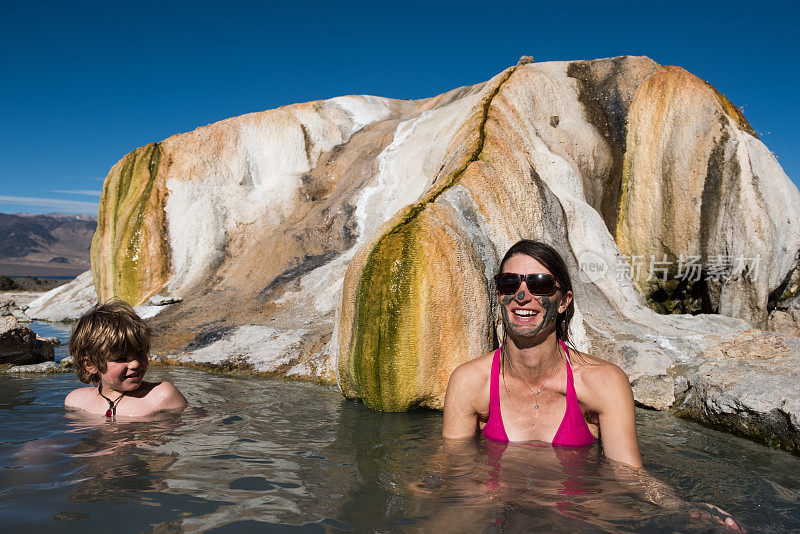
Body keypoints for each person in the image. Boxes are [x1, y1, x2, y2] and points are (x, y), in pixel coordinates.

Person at [443, 240, 641, 466]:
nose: (521, 296)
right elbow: (453, 468)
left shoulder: (604, 382)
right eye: (509, 283)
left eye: (540, 284)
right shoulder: (469, 381)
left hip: (576, 502)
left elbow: (630, 479)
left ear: (563, 302)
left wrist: (676, 503)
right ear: (499, 294)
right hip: (497, 500)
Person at [65, 299, 187, 417]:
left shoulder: (161, 395)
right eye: (121, 358)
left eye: (140, 353)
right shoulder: (76, 402)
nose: (135, 364)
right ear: (90, 365)